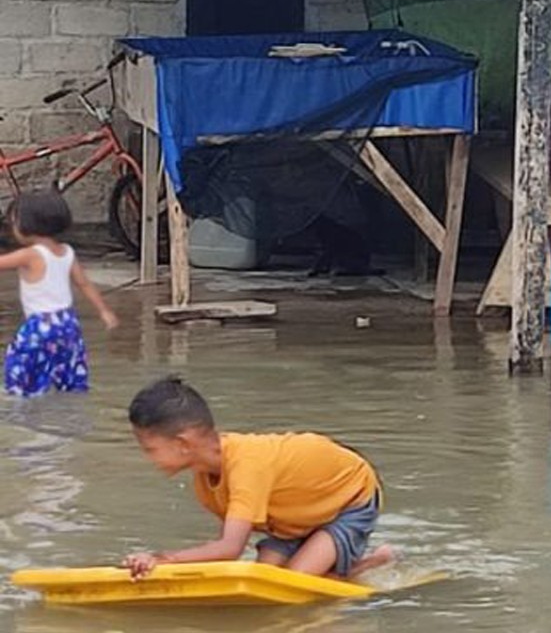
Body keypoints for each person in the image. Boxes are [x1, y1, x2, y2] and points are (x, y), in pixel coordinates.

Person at [123, 376, 394, 580]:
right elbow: (226, 548)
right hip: (293, 516)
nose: (149, 458)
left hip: (349, 497)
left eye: (151, 449)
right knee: (263, 576)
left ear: (183, 444)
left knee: (292, 583)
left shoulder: (246, 466)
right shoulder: (205, 481)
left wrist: (162, 559)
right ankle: (329, 562)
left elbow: (229, 548)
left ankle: (370, 563)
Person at [0, 189, 117, 397]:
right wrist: (104, 311)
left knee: (20, 372)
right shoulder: (66, 252)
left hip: (41, 326)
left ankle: (23, 413)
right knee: (68, 377)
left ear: (25, 224)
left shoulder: (30, 254)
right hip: (68, 325)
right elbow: (84, 284)